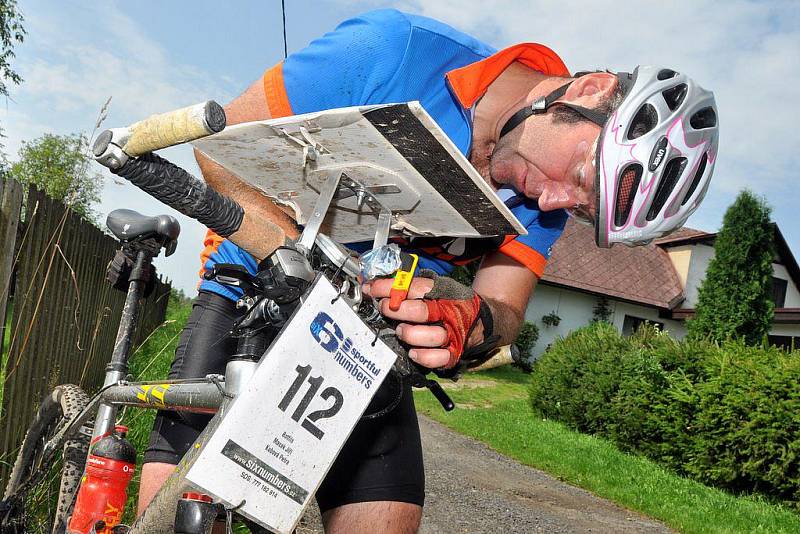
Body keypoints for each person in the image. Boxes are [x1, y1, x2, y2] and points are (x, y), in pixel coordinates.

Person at [138, 9, 719, 533]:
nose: (554, 202)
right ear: (587, 91)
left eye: (581, 208)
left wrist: (468, 321)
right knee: (177, 516)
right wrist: (295, 256)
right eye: (584, 178)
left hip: (362, 335)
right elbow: (221, 148)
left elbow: (505, 309)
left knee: (388, 517)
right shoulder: (393, 50)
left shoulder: (543, 200)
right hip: (252, 288)